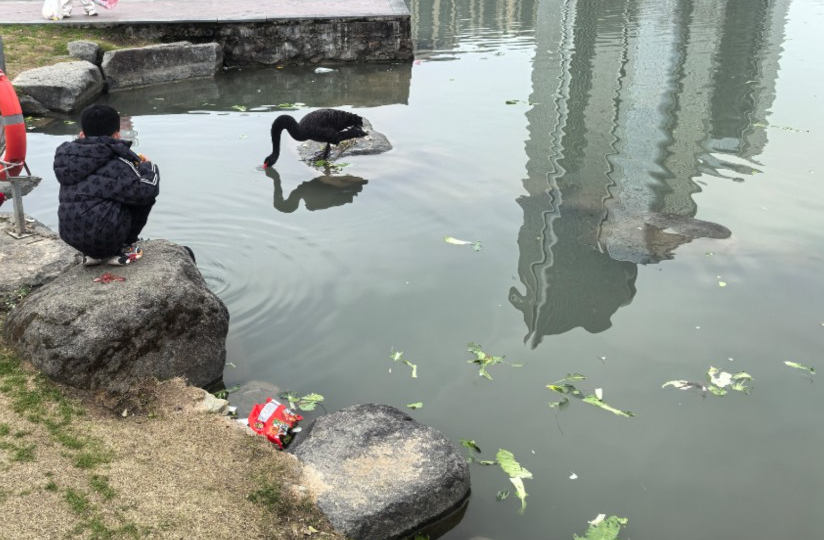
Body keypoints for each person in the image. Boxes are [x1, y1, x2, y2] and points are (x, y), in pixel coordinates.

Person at [53, 104, 159, 266]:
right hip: (105, 238)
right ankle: (120, 249)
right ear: (117, 135)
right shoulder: (118, 162)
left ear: (82, 134)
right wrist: (148, 167)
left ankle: (92, 255)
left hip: (71, 236)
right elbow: (145, 193)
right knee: (144, 189)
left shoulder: (67, 160)